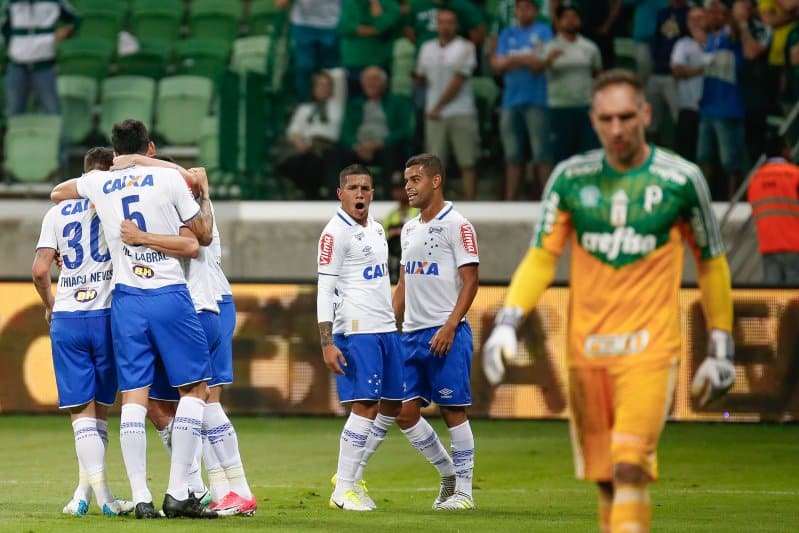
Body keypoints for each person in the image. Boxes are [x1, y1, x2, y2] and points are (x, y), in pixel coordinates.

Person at [483, 69, 735, 532]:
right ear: (593, 121)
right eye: (606, 119)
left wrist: (722, 346)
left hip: (650, 351)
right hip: (586, 354)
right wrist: (506, 322)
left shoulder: (682, 180)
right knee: (605, 480)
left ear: (646, 114)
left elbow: (712, 263)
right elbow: (541, 258)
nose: (617, 129)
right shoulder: (569, 180)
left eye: (625, 117)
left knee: (629, 464)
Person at [51, 119, 217, 519]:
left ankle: (142, 498)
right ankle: (179, 491)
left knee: (134, 397)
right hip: (167, 294)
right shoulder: (170, 181)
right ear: (149, 147)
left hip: (126, 299)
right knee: (195, 390)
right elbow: (201, 238)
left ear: (115, 149)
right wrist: (188, 182)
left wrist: (109, 178)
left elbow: (58, 193)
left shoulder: (99, 182)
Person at [111, 155, 258, 515]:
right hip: (179, 307)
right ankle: (194, 486)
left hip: (201, 304)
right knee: (161, 407)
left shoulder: (179, 194)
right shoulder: (173, 196)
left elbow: (197, 241)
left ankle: (235, 488)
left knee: (204, 399)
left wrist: (136, 160)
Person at [32, 147, 132, 518]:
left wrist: (49, 303)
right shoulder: (115, 206)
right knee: (99, 411)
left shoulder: (55, 213)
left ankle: (86, 493)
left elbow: (40, 270)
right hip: (107, 315)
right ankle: (102, 495)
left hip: (68, 317)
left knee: (80, 414)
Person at [393, 153, 479, 510]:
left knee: (452, 410)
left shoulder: (457, 225)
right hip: (410, 335)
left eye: (415, 179)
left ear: (436, 181)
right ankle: (447, 474)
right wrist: (387, 330)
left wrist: (450, 325)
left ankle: (465, 492)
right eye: (406, 180)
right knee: (403, 412)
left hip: (446, 332)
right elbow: (402, 284)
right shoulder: (409, 228)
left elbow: (471, 281)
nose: (408, 187)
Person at [317, 164, 404, 511]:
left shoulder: (378, 230)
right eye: (352, 188)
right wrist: (326, 341)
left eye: (366, 188)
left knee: (393, 405)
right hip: (357, 331)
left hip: (386, 328)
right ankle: (344, 488)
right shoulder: (334, 234)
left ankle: (352, 475)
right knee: (365, 405)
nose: (360, 194)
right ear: (340, 194)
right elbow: (324, 289)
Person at [491, 0, 554, 200]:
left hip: (537, 100)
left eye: (528, 7)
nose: (523, 11)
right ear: (516, 11)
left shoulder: (544, 30)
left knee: (541, 154)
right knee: (512, 156)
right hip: (510, 101)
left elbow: (539, 64)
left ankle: (549, 200)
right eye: (520, 7)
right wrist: (525, 58)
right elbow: (497, 64)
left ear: (535, 10)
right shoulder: (507, 33)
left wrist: (512, 59)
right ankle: (510, 201)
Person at [414, 8, 479, 200]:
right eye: (442, 22)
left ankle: (472, 204)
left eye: (450, 22)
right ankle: (435, 208)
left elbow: (459, 81)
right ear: (437, 25)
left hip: (461, 111)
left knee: (467, 162)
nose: (446, 26)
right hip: (433, 114)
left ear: (456, 25)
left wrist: (437, 107)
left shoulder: (466, 47)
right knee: (434, 167)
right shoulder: (427, 47)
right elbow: (421, 76)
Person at [540, 3, 602, 163]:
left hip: (585, 106)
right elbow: (537, 72)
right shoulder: (549, 47)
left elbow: (598, 74)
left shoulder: (589, 47)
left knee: (589, 153)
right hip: (559, 107)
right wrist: (548, 61)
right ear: (558, 22)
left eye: (574, 17)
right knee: (562, 154)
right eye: (566, 17)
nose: (570, 21)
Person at [339, 65, 413, 196]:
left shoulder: (397, 102)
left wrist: (381, 143)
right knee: (334, 154)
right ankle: (338, 199)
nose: (370, 83)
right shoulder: (354, 104)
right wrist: (357, 146)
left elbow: (405, 130)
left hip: (385, 147)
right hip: (359, 148)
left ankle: (387, 199)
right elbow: (345, 132)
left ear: (384, 83)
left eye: (375, 79)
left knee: (392, 154)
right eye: (367, 80)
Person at [1, 0, 79, 116]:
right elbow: (4, 30)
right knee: (14, 111)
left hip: (44, 66)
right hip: (17, 66)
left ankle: (57, 134)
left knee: (52, 109)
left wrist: (64, 32)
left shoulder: (55, 2)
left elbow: (75, 20)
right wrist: (14, 48)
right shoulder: (11, 3)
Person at [278, 70, 344, 199]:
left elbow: (339, 74)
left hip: (331, 148)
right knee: (296, 164)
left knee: (327, 160)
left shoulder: (338, 106)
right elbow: (293, 130)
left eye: (327, 85)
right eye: (320, 85)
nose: (323, 88)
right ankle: (310, 197)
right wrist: (300, 143)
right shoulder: (304, 109)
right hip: (309, 148)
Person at [747, 131, 799, 284]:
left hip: (768, 245)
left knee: (773, 298)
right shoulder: (795, 175)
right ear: (784, 151)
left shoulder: (755, 179)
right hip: (795, 246)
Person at [276, 0, 342, 102]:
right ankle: (304, 105)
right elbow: (280, 4)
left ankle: (332, 108)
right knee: (305, 67)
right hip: (303, 26)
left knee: (331, 71)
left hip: (331, 25)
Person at [670, 5, 707, 163]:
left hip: (711, 110)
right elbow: (677, 72)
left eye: (699, 18)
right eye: (691, 19)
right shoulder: (682, 44)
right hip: (688, 108)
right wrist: (704, 70)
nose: (695, 23)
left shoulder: (717, 41)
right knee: (685, 155)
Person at [383, 173, 419, 284]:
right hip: (395, 265)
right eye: (395, 189)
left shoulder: (419, 212)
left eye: (401, 188)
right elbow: (384, 243)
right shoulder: (390, 216)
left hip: (415, 265)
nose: (398, 192)